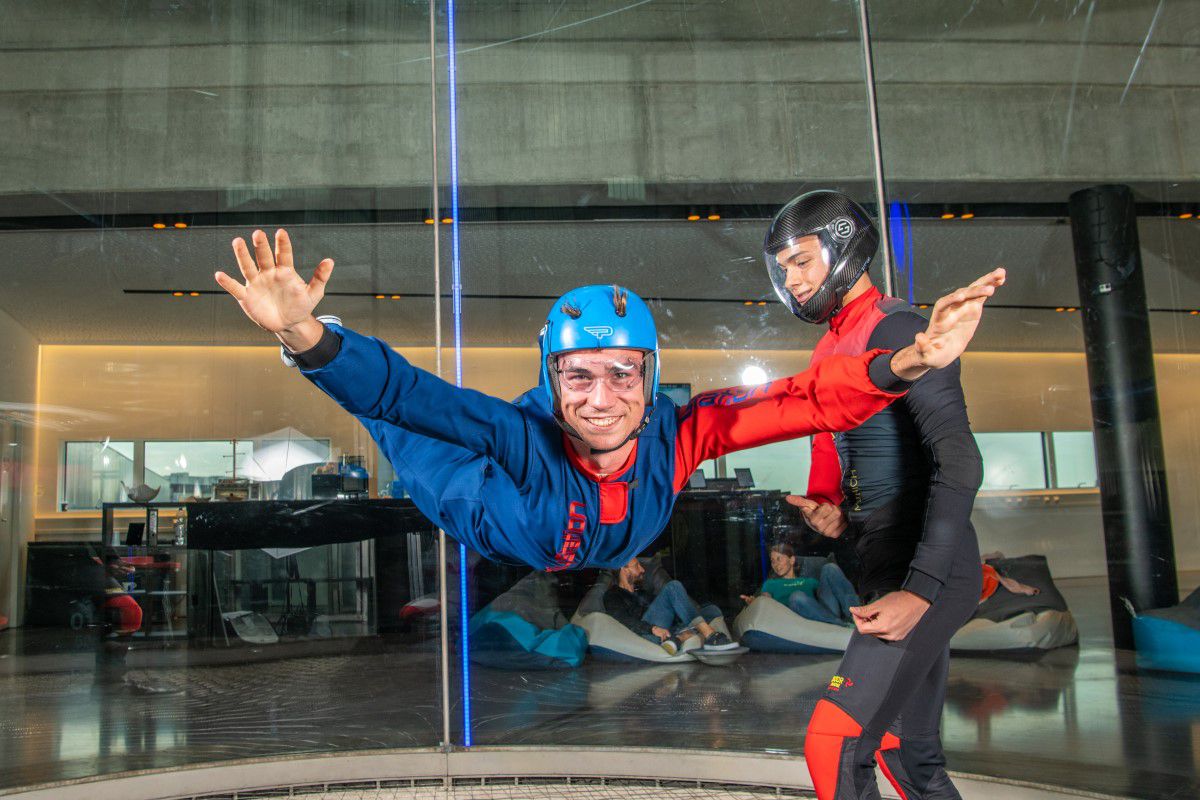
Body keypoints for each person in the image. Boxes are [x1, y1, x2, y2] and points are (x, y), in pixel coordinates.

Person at [214, 228, 1001, 577]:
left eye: (624, 373)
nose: (602, 399)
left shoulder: (680, 433)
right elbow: (409, 393)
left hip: (599, 541)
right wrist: (308, 337)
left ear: (652, 378)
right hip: (483, 506)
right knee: (407, 426)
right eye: (579, 376)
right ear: (552, 379)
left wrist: (907, 361)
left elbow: (808, 401)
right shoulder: (523, 437)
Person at [762, 190, 1005, 800]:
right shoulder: (831, 346)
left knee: (834, 742)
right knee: (908, 753)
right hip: (891, 562)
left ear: (844, 247)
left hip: (926, 573)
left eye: (802, 261)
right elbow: (879, 480)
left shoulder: (899, 327)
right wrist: (839, 521)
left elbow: (960, 459)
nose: (792, 282)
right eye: (784, 268)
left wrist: (919, 591)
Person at [604, 557, 734, 654]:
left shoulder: (643, 592)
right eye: (637, 566)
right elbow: (621, 620)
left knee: (712, 611)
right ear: (624, 569)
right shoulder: (613, 595)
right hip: (647, 632)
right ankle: (710, 637)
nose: (642, 569)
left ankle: (678, 638)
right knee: (673, 586)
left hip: (667, 628)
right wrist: (652, 629)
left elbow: (671, 611)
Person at [740, 541, 858, 626]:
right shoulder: (771, 584)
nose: (775, 564)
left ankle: (856, 615)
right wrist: (755, 602)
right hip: (799, 619)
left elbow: (828, 592)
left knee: (829, 567)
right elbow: (765, 600)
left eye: (779, 559)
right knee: (797, 596)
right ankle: (840, 624)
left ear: (792, 560)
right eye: (772, 561)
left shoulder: (809, 581)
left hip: (823, 612)